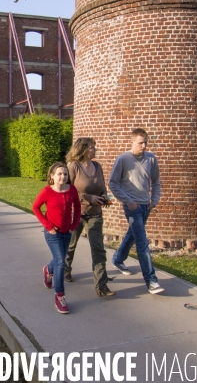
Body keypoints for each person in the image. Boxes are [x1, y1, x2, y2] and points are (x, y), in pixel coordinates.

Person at [109, 128, 164, 294]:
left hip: (145, 205)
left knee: (132, 234)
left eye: (146, 142)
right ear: (132, 142)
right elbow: (113, 183)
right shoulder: (123, 159)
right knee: (142, 242)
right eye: (140, 142)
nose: (144, 146)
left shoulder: (151, 158)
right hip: (132, 207)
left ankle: (118, 259)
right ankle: (151, 281)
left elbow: (156, 182)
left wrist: (154, 201)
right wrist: (128, 201)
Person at [64, 138, 116, 298]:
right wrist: (88, 197)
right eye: (92, 147)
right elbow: (67, 190)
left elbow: (101, 186)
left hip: (95, 213)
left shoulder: (97, 166)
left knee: (98, 249)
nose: (95, 150)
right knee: (70, 245)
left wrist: (103, 197)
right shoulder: (73, 166)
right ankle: (65, 269)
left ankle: (101, 285)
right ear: (83, 149)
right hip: (76, 213)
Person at [32, 162, 81, 314]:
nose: (63, 176)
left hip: (67, 231)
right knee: (61, 261)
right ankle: (60, 295)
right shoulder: (47, 191)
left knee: (59, 259)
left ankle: (48, 269)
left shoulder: (71, 189)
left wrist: (74, 224)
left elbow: (78, 207)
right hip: (52, 232)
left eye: (65, 174)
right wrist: (47, 226)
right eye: (59, 174)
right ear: (52, 176)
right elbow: (35, 207)